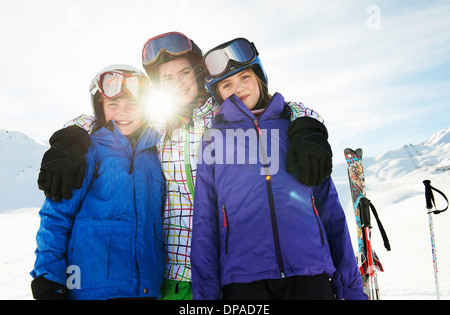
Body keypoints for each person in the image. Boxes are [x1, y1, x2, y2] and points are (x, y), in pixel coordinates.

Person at [35, 32, 333, 300]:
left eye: (184, 72)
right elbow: (113, 117)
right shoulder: (155, 124)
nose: (177, 82)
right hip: (169, 277)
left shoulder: (225, 114)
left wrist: (307, 125)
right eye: (166, 79)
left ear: (199, 74)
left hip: (226, 271)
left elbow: (270, 108)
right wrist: (70, 139)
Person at [191, 38, 366, 300]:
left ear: (260, 78)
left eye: (244, 77)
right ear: (218, 93)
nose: (238, 88)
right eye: (227, 84)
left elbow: (330, 210)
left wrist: (350, 289)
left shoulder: (296, 131)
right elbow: (205, 223)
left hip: (310, 272)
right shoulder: (214, 140)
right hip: (244, 280)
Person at [30, 65, 165, 300]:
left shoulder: (156, 153)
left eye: (132, 105)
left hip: (146, 289)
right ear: (100, 109)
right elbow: (57, 216)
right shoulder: (88, 152)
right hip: (91, 288)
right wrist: (48, 275)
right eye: (113, 105)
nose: (123, 112)